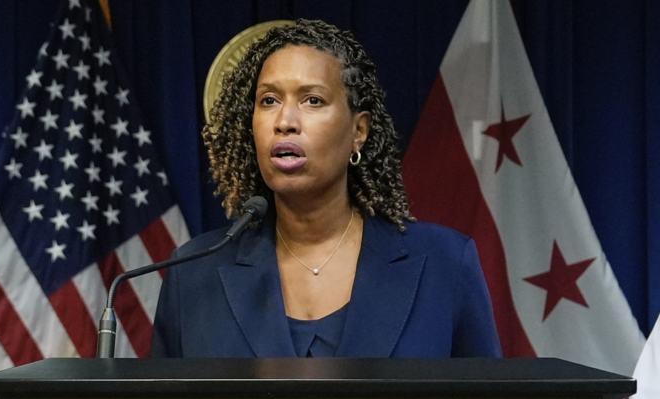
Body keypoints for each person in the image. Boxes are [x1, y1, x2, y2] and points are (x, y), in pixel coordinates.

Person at [151, 20, 501, 359]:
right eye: (269, 100)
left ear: (358, 131)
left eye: (313, 100)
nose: (285, 122)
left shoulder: (445, 264)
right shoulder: (192, 275)